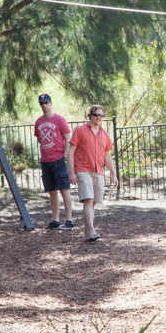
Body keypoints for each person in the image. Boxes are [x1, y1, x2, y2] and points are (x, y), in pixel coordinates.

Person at [67, 104, 118, 242]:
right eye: (96, 115)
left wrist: (114, 175)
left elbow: (107, 156)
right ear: (90, 116)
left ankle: (88, 232)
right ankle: (91, 232)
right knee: (88, 200)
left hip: (98, 171)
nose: (99, 117)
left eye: (101, 115)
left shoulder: (105, 134)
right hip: (83, 169)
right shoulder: (80, 130)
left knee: (93, 202)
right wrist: (71, 172)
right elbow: (70, 152)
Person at [34, 94, 73, 230]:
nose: (44, 105)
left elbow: (68, 137)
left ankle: (69, 220)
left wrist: (65, 155)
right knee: (52, 191)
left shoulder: (59, 120)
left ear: (51, 103)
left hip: (59, 159)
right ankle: (55, 220)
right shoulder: (38, 122)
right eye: (42, 103)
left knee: (64, 189)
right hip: (45, 160)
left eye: (46, 103)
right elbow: (39, 138)